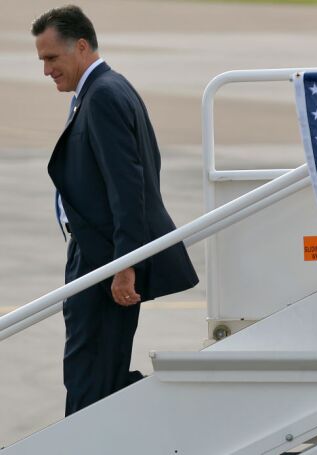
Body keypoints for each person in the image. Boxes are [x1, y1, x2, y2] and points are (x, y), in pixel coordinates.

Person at [32, 5, 199, 416]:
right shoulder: (103, 90)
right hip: (98, 254)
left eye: (52, 58)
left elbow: (130, 188)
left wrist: (124, 264)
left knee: (90, 376)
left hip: (104, 260)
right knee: (93, 371)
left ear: (82, 46)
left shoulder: (104, 95)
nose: (47, 70)